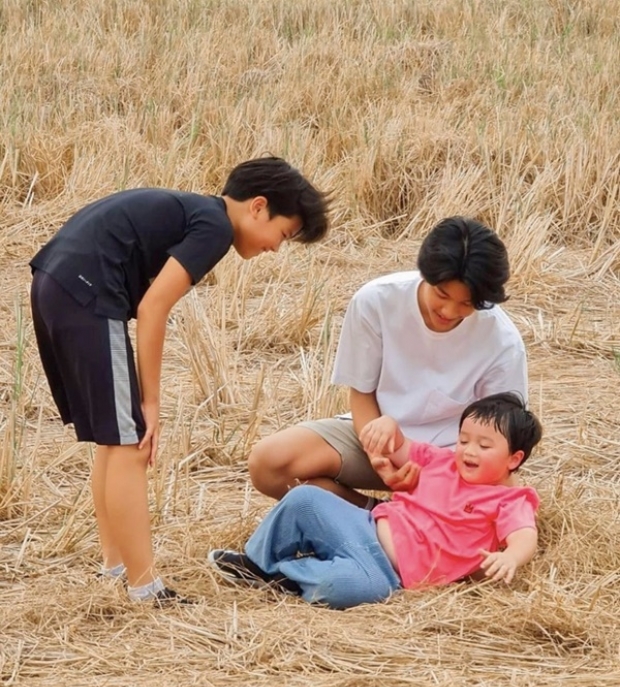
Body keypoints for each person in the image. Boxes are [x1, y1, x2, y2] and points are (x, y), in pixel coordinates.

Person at [29, 157, 331, 605]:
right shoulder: (215, 227)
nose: (274, 249)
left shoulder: (196, 212)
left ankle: (116, 569)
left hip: (54, 284)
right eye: (282, 235)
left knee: (114, 443)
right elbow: (153, 309)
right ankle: (146, 587)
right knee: (132, 443)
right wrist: (152, 403)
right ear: (258, 206)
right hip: (86, 292)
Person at [248, 216, 528, 509]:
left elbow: (501, 435)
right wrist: (377, 456)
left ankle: (412, 517)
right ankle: (372, 514)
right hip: (375, 436)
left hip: (452, 461)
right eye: (441, 294)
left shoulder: (503, 342)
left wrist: (442, 475)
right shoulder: (375, 301)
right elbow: (362, 393)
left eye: (466, 304)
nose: (448, 310)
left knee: (498, 506)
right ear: (425, 274)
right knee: (268, 463)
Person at [208, 392, 543, 609]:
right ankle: (256, 561)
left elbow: (524, 534)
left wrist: (512, 557)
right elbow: (398, 445)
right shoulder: (441, 462)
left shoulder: (509, 499)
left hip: (387, 573)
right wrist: (386, 424)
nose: (468, 450)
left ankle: (288, 575)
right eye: (464, 440)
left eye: (484, 446)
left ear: (513, 459)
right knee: (305, 497)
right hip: (363, 527)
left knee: (341, 590)